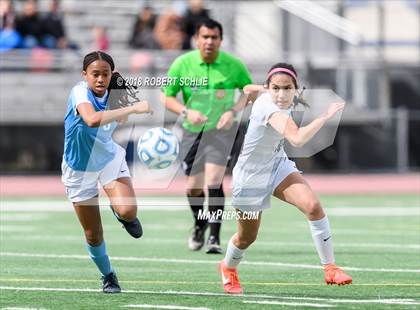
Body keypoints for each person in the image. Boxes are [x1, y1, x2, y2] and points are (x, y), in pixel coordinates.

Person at [218, 63, 352, 294]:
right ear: (269, 88)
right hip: (250, 177)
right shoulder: (268, 106)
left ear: (296, 89)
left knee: (313, 206)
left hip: (277, 164)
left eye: (287, 88)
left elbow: (250, 89)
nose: (281, 94)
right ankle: (228, 268)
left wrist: (237, 107)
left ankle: (330, 268)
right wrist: (325, 116)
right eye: (276, 88)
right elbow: (297, 139)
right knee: (247, 237)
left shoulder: (268, 93)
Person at [61, 51, 151, 293]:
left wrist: (124, 100)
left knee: (128, 211)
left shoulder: (116, 91)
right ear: (84, 75)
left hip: (108, 160)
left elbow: (117, 120)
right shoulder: (79, 91)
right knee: (93, 234)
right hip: (79, 170)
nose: (100, 79)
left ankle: (120, 212)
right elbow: (91, 119)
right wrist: (131, 110)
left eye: (106, 74)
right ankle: (108, 275)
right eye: (95, 74)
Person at [162, 19, 252, 254]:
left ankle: (214, 236)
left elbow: (249, 92)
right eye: (205, 37)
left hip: (222, 131)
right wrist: (186, 111)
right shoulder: (182, 64)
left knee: (214, 181)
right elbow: (167, 96)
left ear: (221, 40)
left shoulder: (234, 65)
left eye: (214, 37)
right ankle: (199, 223)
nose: (209, 41)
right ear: (197, 39)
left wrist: (233, 111)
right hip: (192, 132)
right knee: (193, 188)